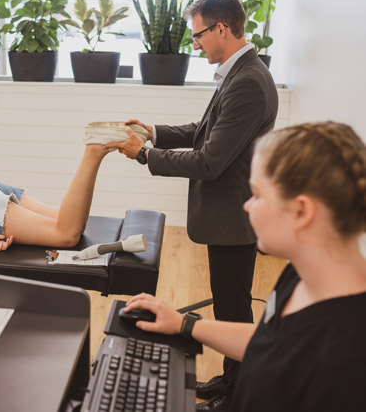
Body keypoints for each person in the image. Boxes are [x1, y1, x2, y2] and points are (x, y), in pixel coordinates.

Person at [104, 0, 279, 410]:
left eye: (198, 35)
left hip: (234, 217)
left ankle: (239, 394)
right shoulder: (239, 73)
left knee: (234, 308)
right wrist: (154, 131)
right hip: (228, 214)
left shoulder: (250, 82)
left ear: (222, 28)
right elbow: (205, 132)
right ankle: (231, 380)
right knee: (229, 302)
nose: (194, 44)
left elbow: (209, 160)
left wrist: (145, 154)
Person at [123, 121, 366, 412]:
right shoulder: (302, 275)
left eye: (258, 195)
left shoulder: (346, 353)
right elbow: (272, 340)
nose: (247, 206)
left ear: (302, 211)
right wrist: (184, 325)